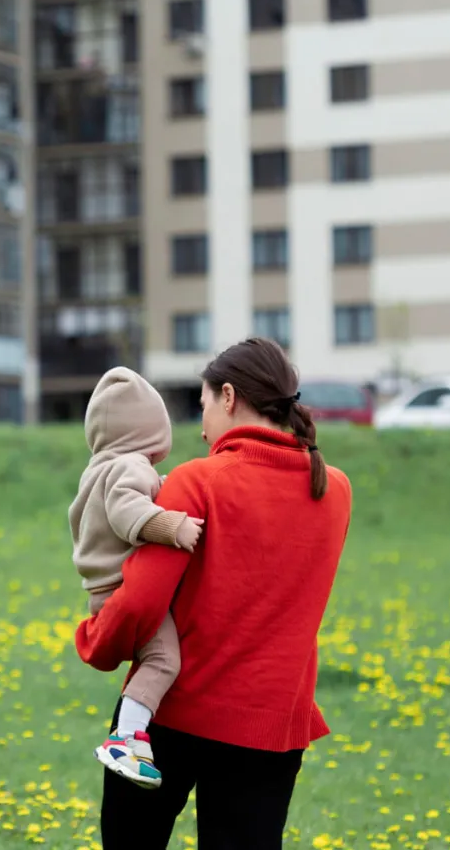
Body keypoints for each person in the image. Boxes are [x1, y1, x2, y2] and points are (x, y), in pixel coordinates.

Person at [74, 338, 354, 850]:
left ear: (228, 396)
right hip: (272, 725)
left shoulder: (197, 480)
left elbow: (141, 600)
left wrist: (96, 640)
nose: (202, 430)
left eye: (202, 407)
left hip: (173, 715)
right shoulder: (334, 489)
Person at [68, 367, 206, 789]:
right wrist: (172, 526)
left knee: (154, 658)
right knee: (164, 660)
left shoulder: (101, 468)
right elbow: (126, 509)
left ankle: (133, 738)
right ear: (149, 430)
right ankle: (125, 739)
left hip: (101, 590)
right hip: (122, 589)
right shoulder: (131, 466)